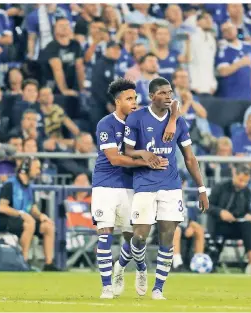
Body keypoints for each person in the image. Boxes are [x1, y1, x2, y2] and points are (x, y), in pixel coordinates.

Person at [123, 77, 209, 300]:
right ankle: (139, 267)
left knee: (168, 235)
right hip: (144, 183)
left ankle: (158, 288)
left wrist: (201, 188)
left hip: (170, 184)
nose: (168, 96)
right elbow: (128, 151)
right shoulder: (136, 118)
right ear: (152, 96)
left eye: (170, 92)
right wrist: (145, 154)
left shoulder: (178, 121)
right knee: (140, 236)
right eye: (162, 93)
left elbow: (189, 158)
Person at [91, 78, 176, 299]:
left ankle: (138, 268)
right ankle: (107, 286)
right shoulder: (106, 124)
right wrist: (146, 162)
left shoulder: (139, 122)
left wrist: (173, 118)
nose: (134, 102)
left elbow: (170, 110)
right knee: (105, 234)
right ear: (118, 101)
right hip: (105, 185)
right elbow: (114, 159)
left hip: (132, 186)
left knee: (134, 238)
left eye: (135, 98)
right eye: (129, 99)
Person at [0, 158, 56, 271]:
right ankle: (23, 261)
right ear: (26, 169)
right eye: (37, 168)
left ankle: (49, 264)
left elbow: (32, 207)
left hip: (24, 219)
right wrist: (21, 213)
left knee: (48, 226)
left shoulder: (29, 186)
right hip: (7, 220)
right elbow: (2, 207)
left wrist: (41, 216)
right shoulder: (10, 184)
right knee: (30, 222)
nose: (39, 171)